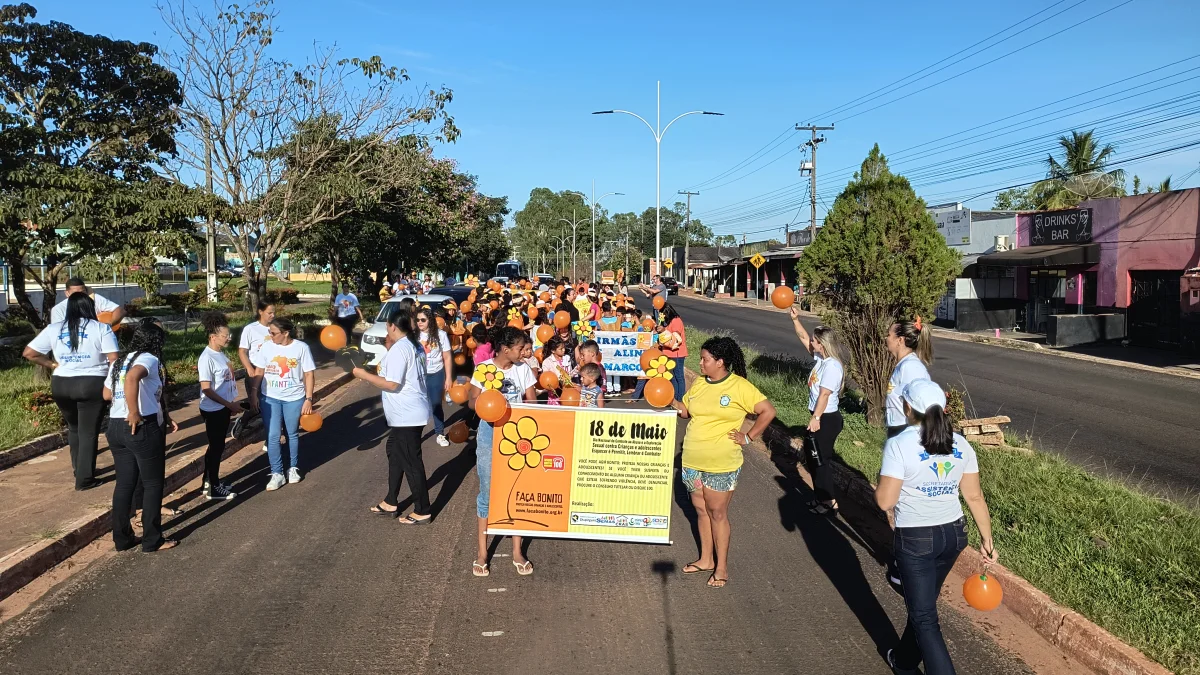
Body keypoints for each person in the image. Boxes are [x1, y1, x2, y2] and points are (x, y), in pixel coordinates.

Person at [876, 379, 997, 675]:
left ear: (908, 408)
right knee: (924, 606)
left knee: (925, 618)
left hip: (916, 539)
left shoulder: (899, 444)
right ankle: (904, 660)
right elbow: (974, 496)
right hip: (954, 535)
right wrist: (987, 540)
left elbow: (885, 501)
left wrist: (882, 483)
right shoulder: (961, 444)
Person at [669, 336, 776, 588]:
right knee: (700, 510)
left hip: (722, 463)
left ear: (720, 362)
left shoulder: (739, 386)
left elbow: (768, 411)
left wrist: (748, 437)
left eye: (704, 359)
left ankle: (722, 568)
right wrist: (670, 401)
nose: (700, 363)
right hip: (692, 460)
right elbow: (686, 411)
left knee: (717, 513)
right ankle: (706, 559)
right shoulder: (700, 383)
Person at [23, 293, 119, 490]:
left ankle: (79, 469)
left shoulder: (54, 328)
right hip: (92, 383)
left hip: (62, 384)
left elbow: (29, 353)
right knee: (88, 431)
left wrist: (52, 364)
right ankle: (85, 479)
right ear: (90, 308)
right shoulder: (101, 328)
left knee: (74, 428)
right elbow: (114, 359)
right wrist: (111, 384)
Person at [467, 326, 538, 577]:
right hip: (489, 433)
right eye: (520, 348)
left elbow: (532, 401)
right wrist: (489, 402)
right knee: (487, 492)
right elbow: (471, 401)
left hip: (519, 435)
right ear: (506, 349)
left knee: (516, 491)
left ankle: (517, 551)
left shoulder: (523, 369)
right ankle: (482, 553)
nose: (524, 352)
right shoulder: (483, 369)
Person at [103, 320, 179, 552]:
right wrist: (134, 411)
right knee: (153, 484)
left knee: (124, 484)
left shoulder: (120, 361)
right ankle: (152, 540)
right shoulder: (149, 358)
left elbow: (106, 394)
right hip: (140, 425)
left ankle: (122, 538)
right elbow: (132, 378)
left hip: (115, 426)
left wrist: (161, 412)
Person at [354, 306, 433, 524]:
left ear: (392, 326)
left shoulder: (402, 348)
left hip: (407, 414)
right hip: (407, 413)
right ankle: (391, 501)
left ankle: (423, 510)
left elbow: (392, 383)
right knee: (394, 452)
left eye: (387, 326)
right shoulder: (413, 344)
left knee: (411, 462)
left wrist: (363, 375)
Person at [788, 308, 847, 516]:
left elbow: (824, 395)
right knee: (813, 459)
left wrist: (816, 418)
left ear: (822, 344)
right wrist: (795, 319)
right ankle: (821, 497)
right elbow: (803, 337)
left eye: (815, 340)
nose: (811, 342)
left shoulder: (832, 367)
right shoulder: (822, 360)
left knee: (820, 461)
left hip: (827, 419)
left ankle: (830, 501)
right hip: (821, 416)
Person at [251, 316, 317, 490]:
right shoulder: (266, 347)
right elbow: (259, 370)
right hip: (269, 398)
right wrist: (254, 393)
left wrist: (309, 399)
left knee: (292, 433)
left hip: (294, 398)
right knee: (273, 436)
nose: (270, 336)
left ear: (286, 333)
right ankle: (277, 473)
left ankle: (293, 468)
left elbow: (309, 374)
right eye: (269, 332)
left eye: (273, 333)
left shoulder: (301, 348)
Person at [197, 313, 242, 501]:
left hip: (223, 407)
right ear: (213, 337)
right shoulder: (206, 357)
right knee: (216, 448)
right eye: (225, 336)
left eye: (229, 335)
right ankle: (213, 488)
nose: (228, 338)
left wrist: (230, 403)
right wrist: (228, 404)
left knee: (216, 446)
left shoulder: (220, 353)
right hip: (213, 409)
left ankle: (208, 482)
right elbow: (206, 389)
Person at [885, 317, 933, 438]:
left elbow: (919, 403)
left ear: (900, 340)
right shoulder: (903, 365)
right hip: (898, 427)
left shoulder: (910, 367)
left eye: (889, 335)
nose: (886, 338)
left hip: (907, 430)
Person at [416, 307, 452, 447]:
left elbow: (447, 357)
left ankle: (440, 433)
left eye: (423, 320)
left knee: (436, 404)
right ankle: (415, 435)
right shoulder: (414, 335)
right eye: (417, 320)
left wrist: (448, 378)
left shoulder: (441, 335)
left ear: (430, 321)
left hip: (436, 373)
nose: (419, 322)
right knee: (418, 405)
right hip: (418, 375)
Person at [237, 301, 275, 419]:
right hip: (256, 370)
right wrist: (249, 368)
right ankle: (242, 424)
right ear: (260, 312)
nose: (273, 315)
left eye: (274, 313)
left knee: (271, 404)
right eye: (269, 313)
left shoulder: (276, 328)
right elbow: (242, 351)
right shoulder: (251, 329)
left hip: (273, 370)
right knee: (255, 406)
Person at [49, 277, 124, 325]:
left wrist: (109, 325)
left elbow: (120, 310)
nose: (80, 295)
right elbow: (57, 331)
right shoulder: (58, 309)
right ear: (67, 293)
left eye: (83, 292)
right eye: (75, 293)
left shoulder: (95, 299)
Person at [658, 303, 688, 401]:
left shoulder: (676, 321)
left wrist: (664, 331)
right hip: (669, 353)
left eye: (663, 314)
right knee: (673, 377)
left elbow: (675, 337)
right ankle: (675, 398)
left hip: (677, 353)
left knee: (679, 376)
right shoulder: (668, 322)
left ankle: (680, 399)